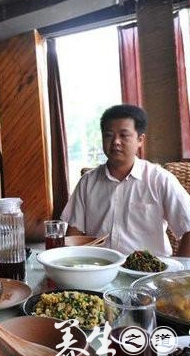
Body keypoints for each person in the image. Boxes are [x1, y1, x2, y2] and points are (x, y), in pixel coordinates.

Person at [61, 104, 190, 257]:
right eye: (109, 135)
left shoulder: (160, 179)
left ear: (140, 139)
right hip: (99, 270)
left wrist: (179, 271)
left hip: (148, 274)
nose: (115, 141)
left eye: (124, 135)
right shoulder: (87, 182)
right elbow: (73, 233)